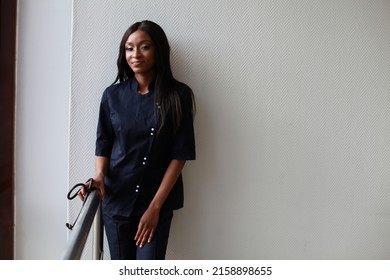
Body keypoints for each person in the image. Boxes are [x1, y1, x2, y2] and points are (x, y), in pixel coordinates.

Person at [79, 20, 196, 260]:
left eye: (144, 47)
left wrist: (154, 208)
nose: (135, 55)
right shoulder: (112, 95)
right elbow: (104, 143)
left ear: (158, 50)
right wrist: (99, 177)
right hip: (117, 201)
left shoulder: (178, 95)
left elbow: (180, 154)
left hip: (156, 202)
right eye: (129, 48)